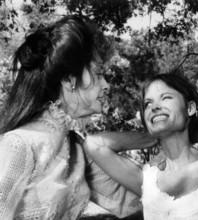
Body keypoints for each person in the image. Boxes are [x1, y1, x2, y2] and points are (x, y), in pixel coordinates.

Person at [0, 15, 157, 219]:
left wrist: (160, 137)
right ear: (68, 80)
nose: (106, 84)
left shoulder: (76, 149)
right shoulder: (19, 144)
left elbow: (139, 204)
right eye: (98, 74)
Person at [82, 73, 198, 220]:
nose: (155, 107)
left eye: (166, 98)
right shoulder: (147, 181)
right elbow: (94, 145)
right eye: (148, 104)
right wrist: (152, 136)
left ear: (190, 108)